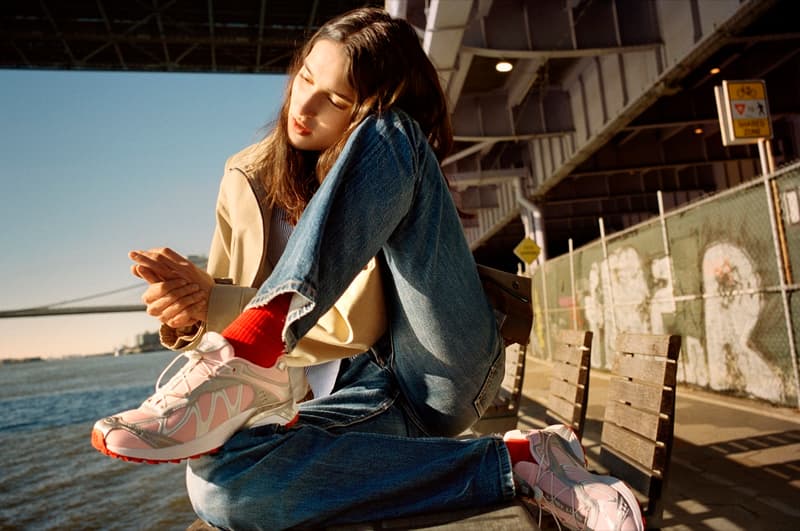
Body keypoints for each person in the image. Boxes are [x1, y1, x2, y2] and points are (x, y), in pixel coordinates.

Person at [91, 7, 644, 530]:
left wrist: (230, 315)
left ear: (362, 105)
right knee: (219, 486)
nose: (303, 108)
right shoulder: (245, 176)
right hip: (339, 403)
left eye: (334, 98)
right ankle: (521, 459)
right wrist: (192, 313)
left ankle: (259, 343)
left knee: (392, 134)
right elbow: (223, 309)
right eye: (305, 78)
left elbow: (362, 323)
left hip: (428, 370)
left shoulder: (387, 153)